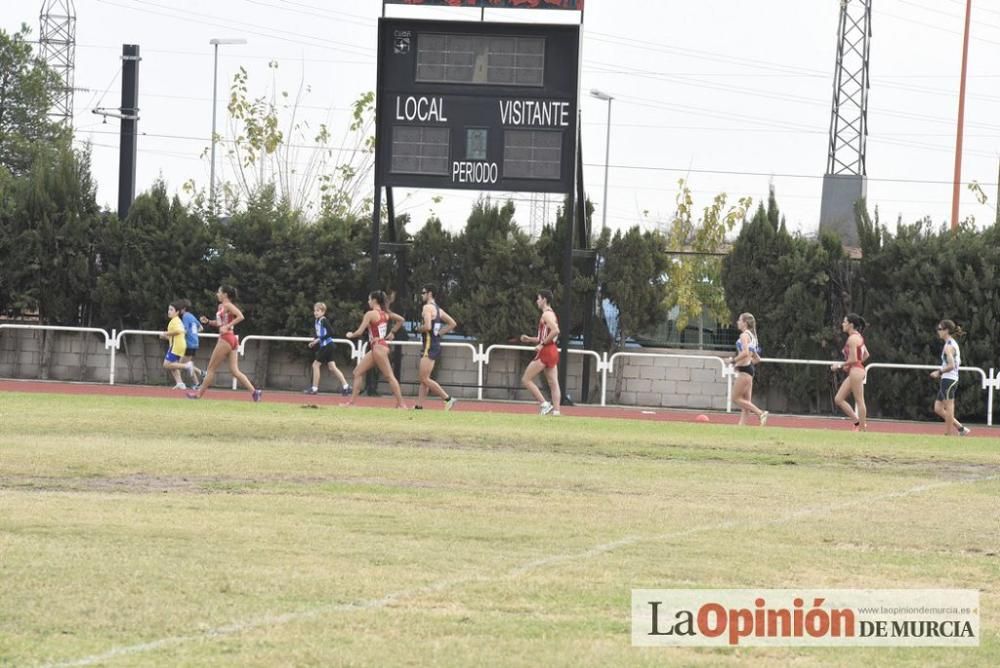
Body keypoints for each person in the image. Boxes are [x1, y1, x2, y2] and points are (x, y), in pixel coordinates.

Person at [186, 285, 262, 401]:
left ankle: (198, 395)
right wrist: (209, 322)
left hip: (226, 338)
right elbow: (219, 323)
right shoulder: (221, 306)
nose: (217, 294)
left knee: (211, 369)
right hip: (231, 339)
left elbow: (240, 316)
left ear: (225, 294)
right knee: (235, 370)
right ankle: (254, 392)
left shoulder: (228, 305)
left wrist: (227, 326)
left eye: (219, 292)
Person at [343, 290, 407, 408]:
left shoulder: (370, 314)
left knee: (389, 376)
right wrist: (393, 332)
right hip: (379, 346)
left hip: (378, 347)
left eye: (369, 299)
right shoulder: (385, 314)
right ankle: (351, 402)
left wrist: (350, 335)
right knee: (357, 372)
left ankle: (401, 404)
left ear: (374, 300)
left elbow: (360, 332)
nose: (368, 302)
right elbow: (401, 320)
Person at [414, 283, 457, 411]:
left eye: (423, 293)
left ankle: (448, 399)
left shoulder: (427, 308)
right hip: (434, 344)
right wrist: (438, 334)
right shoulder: (438, 309)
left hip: (429, 345)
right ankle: (419, 406)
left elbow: (427, 326)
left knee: (424, 378)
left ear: (430, 294)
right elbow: (452, 323)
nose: (421, 295)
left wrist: (418, 329)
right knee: (424, 379)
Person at [520, 289, 561, 416]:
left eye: (538, 298)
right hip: (553, 349)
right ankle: (556, 411)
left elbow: (555, 331)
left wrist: (541, 345)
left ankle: (544, 404)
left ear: (544, 299)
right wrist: (530, 339)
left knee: (526, 379)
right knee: (553, 383)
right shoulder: (551, 314)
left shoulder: (546, 315)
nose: (537, 301)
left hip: (546, 350)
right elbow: (545, 336)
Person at [929, 319, 972, 437]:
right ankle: (961, 428)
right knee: (938, 408)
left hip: (949, 379)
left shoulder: (949, 346)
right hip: (947, 379)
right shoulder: (950, 344)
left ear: (946, 330)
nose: (938, 331)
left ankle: (948, 434)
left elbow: (951, 365)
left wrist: (939, 372)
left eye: (940, 329)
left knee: (949, 406)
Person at [725, 312, 768, 426]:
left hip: (745, 371)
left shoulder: (744, 335)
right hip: (748, 370)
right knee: (746, 403)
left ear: (745, 323)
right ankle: (741, 426)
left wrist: (733, 361)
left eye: (739, 320)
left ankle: (760, 413)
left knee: (735, 398)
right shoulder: (752, 336)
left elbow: (745, 353)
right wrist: (744, 364)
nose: (737, 322)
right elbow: (757, 358)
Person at [831, 313, 869, 431]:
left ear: (851, 325)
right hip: (856, 369)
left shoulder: (852, 339)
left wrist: (839, 365)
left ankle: (862, 428)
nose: (842, 324)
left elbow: (853, 359)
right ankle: (857, 422)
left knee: (859, 400)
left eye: (844, 322)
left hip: (856, 371)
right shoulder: (858, 337)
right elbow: (866, 355)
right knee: (838, 399)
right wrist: (852, 365)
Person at [305, 302, 351, 396]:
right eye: (315, 310)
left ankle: (314, 388)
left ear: (323, 312)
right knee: (332, 367)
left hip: (327, 345)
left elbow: (331, 332)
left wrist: (319, 340)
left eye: (318, 311)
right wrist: (314, 341)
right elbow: (319, 335)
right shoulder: (317, 321)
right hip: (326, 345)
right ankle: (346, 387)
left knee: (315, 365)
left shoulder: (323, 320)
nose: (316, 312)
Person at [161, 301, 192, 389]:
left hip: (176, 346)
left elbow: (178, 331)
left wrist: (166, 333)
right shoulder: (176, 321)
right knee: (173, 365)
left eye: (171, 310)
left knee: (166, 364)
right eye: (168, 309)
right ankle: (180, 383)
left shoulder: (175, 321)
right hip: (178, 345)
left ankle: (187, 366)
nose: (169, 311)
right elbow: (179, 334)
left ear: (177, 312)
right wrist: (166, 337)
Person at [178, 299, 203, 389]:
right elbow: (201, 327)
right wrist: (194, 334)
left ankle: (180, 384)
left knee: (179, 366)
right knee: (187, 364)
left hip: (189, 344)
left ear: (184, 308)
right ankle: (197, 381)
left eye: (180, 308)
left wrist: (175, 334)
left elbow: (185, 330)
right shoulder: (191, 316)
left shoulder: (185, 316)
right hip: (195, 343)